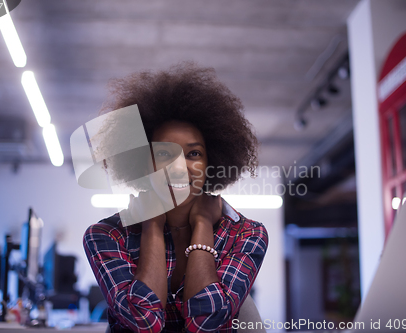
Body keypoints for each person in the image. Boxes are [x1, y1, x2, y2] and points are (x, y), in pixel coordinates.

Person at [83, 63, 269, 332]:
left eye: (194, 154)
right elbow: (144, 323)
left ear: (211, 162)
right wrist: (152, 226)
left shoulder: (247, 235)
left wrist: (203, 224)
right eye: (164, 154)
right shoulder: (106, 236)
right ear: (142, 163)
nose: (179, 168)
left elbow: (206, 321)